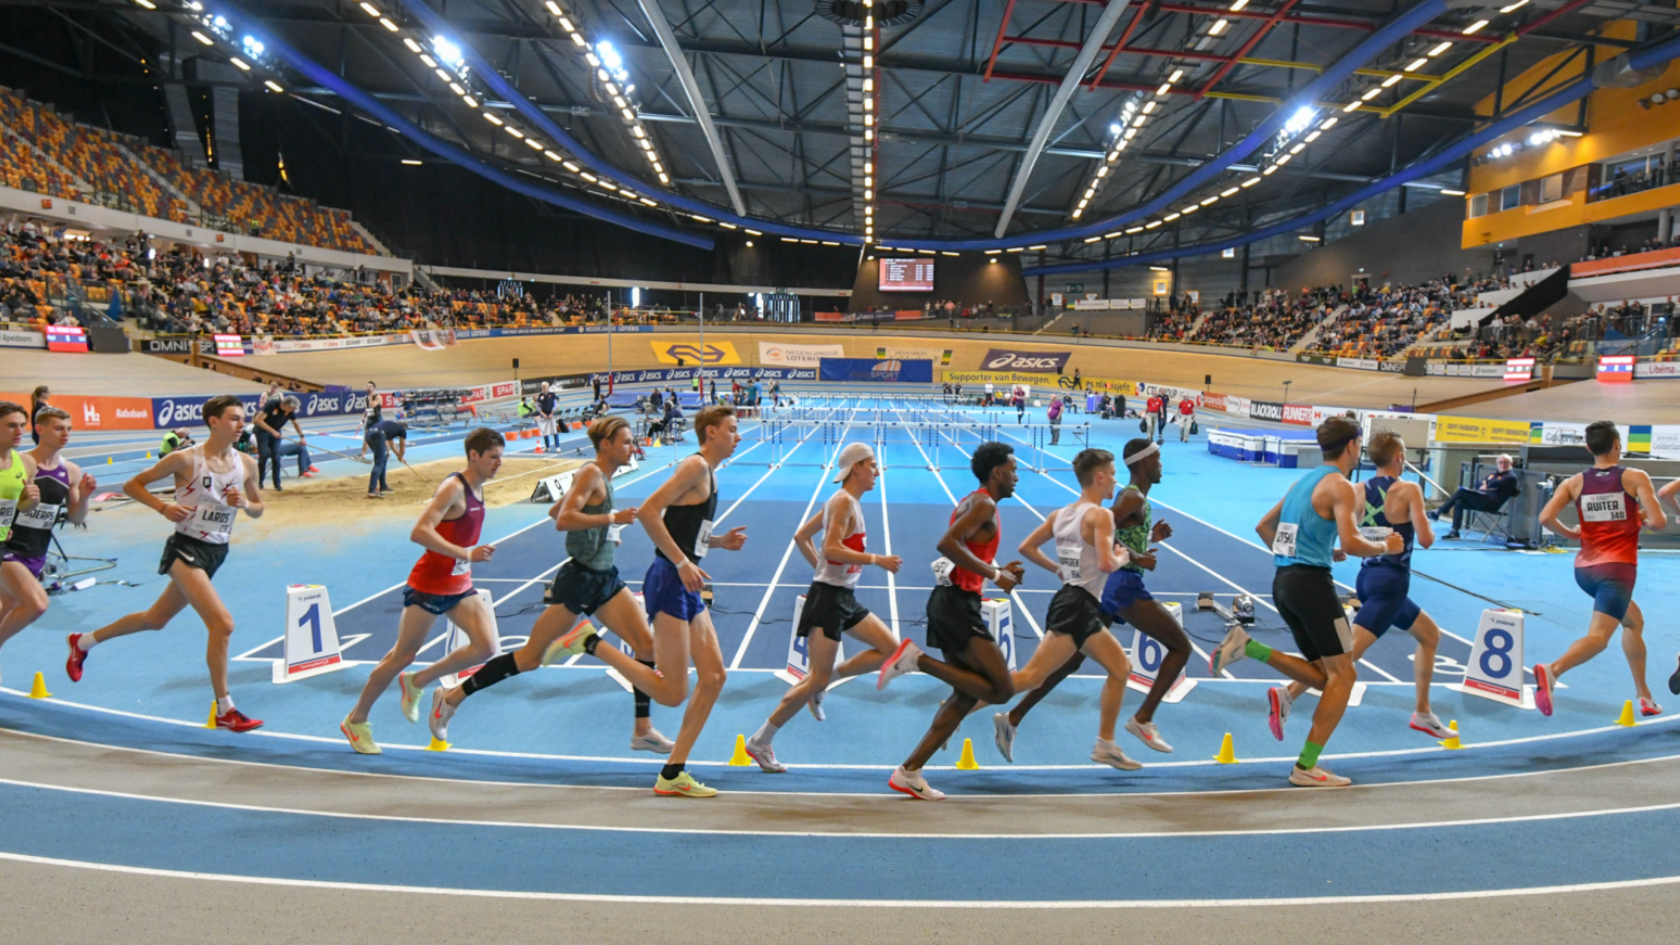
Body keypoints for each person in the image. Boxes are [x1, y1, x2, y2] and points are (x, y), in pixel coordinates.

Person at [423, 417, 674, 753]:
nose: (633, 446)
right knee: (529, 658)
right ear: (606, 445)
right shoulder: (591, 472)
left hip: (604, 577)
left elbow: (557, 509)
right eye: (627, 442)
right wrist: (611, 519)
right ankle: (451, 698)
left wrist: (602, 534)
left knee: (646, 645)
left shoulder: (602, 477)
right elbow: (564, 521)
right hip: (579, 580)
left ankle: (642, 729)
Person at [552, 405, 747, 797]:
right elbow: (649, 513)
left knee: (714, 677)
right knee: (673, 693)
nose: (737, 436)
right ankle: (589, 642)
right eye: (732, 429)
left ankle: (674, 773)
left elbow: (685, 527)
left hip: (685, 579)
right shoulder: (694, 467)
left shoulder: (708, 474)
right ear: (711, 433)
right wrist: (681, 561)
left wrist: (718, 543)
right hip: (671, 579)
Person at [1209, 416, 1403, 787]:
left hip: (1285, 583)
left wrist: (1305, 555)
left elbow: (1264, 526)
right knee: (1345, 676)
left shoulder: (1303, 483)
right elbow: (1352, 543)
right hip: (1312, 586)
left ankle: (1248, 647)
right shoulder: (1341, 487)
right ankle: (1305, 767)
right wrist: (1385, 547)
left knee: (1324, 677)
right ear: (1352, 445)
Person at [67, 395, 266, 732]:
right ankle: (225, 708)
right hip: (184, 548)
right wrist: (163, 508)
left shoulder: (246, 463)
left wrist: (245, 502)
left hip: (217, 551)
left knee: (155, 619)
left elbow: (259, 507)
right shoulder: (185, 459)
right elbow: (133, 484)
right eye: (233, 418)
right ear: (213, 421)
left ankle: (82, 642)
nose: (240, 424)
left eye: (241, 418)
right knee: (223, 624)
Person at [994, 439, 1191, 758]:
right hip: (1119, 584)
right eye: (1157, 458)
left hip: (1105, 586)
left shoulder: (1135, 497)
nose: (1161, 464)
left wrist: (1149, 539)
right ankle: (1142, 719)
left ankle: (1012, 718)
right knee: (1181, 646)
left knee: (1069, 662)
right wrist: (1136, 557)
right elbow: (1103, 527)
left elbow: (1116, 531)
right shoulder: (1130, 495)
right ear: (1143, 463)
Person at [1272, 432, 1453, 740]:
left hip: (1366, 578)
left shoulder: (1357, 489)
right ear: (1399, 457)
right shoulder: (1409, 489)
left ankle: (1423, 711)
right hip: (1392, 582)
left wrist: (1346, 548)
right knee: (1346, 654)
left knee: (1429, 634)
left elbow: (1350, 534)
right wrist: (1421, 523)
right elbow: (1425, 539)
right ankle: (1288, 693)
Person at [340, 428, 505, 753]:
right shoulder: (453, 488)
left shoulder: (479, 487)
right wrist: (467, 554)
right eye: (493, 457)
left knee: (486, 647)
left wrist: (465, 560)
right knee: (402, 655)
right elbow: (419, 532)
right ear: (474, 455)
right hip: (430, 584)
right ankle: (356, 720)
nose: (499, 463)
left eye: (501, 457)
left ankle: (418, 681)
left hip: (459, 584)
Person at [743, 443, 903, 773]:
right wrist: (876, 560)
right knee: (812, 680)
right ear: (856, 467)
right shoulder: (843, 501)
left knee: (888, 648)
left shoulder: (843, 502)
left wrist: (823, 568)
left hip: (842, 595)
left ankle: (824, 683)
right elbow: (831, 548)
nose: (877, 471)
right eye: (872, 465)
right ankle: (760, 740)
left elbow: (802, 536)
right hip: (828, 599)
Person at [880, 441, 1022, 800]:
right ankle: (915, 660)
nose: (1017, 476)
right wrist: (994, 573)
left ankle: (908, 772)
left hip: (954, 602)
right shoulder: (984, 503)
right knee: (1002, 689)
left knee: (963, 696)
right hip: (956, 606)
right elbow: (946, 544)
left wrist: (998, 570)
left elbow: (966, 550)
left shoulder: (976, 502)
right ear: (997, 473)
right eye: (1013, 470)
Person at [986, 449, 1142, 769]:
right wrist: (1123, 558)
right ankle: (964, 703)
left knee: (1120, 668)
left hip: (1074, 601)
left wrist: (1058, 569)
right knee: (1032, 676)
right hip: (1078, 606)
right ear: (1099, 478)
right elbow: (1104, 563)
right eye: (1112, 474)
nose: (1115, 480)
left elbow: (1025, 547)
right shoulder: (1101, 516)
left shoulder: (1061, 515)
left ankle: (1106, 744)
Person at [1532, 421, 1667, 718]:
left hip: (1585, 571)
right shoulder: (1636, 477)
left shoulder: (1574, 483)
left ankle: (1644, 695)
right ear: (1618, 444)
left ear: (1588, 448)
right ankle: (1552, 671)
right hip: (1617, 570)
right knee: (1599, 639)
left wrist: (1570, 534)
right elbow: (1659, 523)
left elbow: (1544, 518)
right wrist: (1641, 520)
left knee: (1634, 621)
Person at [0, 407, 94, 669]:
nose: (66, 434)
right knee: (36, 604)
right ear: (39, 430)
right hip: (8, 548)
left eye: (69, 429)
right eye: (58, 428)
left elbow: (75, 518)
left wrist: (84, 496)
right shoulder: (22, 461)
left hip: (36, 551)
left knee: (8, 604)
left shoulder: (70, 471)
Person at [1430, 453, 1519, 539]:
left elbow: (1495, 483)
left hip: (1491, 503)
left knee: (1462, 491)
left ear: (1510, 464)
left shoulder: (1511, 476)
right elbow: (1477, 484)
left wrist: (1487, 484)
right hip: (1483, 499)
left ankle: (1438, 512)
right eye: (1501, 462)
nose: (1503, 465)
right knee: (1459, 501)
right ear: (1497, 464)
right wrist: (1487, 485)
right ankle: (1455, 531)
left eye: (1505, 462)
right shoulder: (1494, 475)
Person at [252, 394, 305, 492]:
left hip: (276, 432)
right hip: (262, 431)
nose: (294, 410)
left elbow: (296, 423)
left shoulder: (290, 411)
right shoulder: (272, 404)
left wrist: (302, 437)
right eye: (293, 408)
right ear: (288, 405)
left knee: (276, 457)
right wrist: (272, 431)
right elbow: (258, 420)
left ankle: (277, 484)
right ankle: (259, 482)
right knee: (263, 456)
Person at [364, 418, 406, 499]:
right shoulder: (402, 430)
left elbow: (392, 445)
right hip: (378, 435)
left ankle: (383, 486)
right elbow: (402, 448)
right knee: (379, 462)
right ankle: (372, 490)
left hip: (369, 435)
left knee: (383, 459)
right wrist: (401, 456)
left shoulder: (391, 427)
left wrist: (398, 455)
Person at [536, 381, 559, 451]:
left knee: (554, 431)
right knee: (545, 431)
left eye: (545, 386)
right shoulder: (540, 396)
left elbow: (555, 404)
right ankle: (547, 446)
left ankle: (557, 446)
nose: (544, 388)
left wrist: (552, 413)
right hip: (544, 416)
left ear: (548, 387)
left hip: (551, 415)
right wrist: (542, 414)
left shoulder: (552, 395)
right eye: (543, 386)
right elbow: (538, 406)